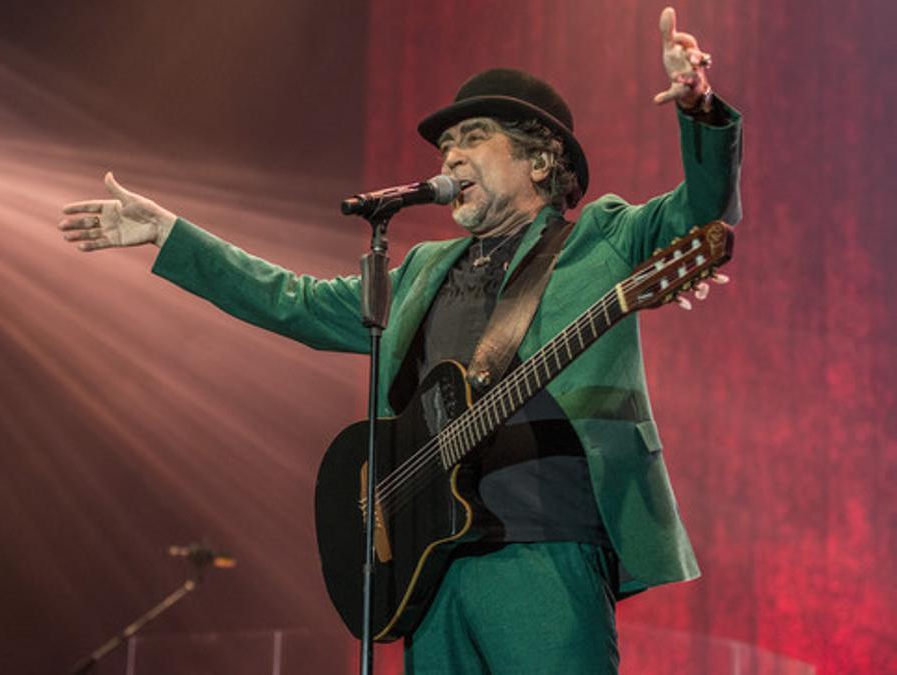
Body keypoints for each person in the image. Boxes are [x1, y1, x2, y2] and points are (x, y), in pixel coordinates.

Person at [59, 7, 741, 673]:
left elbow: (701, 210)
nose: (450, 155)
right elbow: (290, 301)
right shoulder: (418, 269)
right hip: (430, 559)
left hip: (545, 547)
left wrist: (699, 107)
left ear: (539, 159)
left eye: (473, 137)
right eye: (446, 145)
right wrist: (170, 236)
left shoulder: (603, 237)